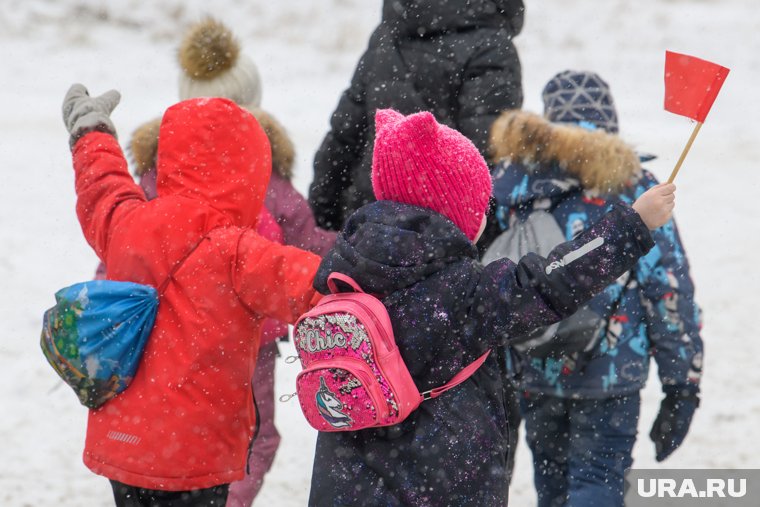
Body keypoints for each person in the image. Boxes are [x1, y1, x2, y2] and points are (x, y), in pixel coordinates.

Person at [307, 107, 676, 506]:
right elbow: (552, 280)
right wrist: (631, 225)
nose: (486, 214)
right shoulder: (464, 293)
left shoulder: (346, 276)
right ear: (454, 212)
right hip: (441, 480)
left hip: (347, 484)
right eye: (479, 205)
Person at [61, 86, 323, 506]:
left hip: (123, 441)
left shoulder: (130, 223)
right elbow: (312, 285)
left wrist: (91, 133)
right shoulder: (237, 251)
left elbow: (103, 190)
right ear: (248, 173)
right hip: (196, 454)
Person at [486, 70, 704, 507]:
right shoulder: (637, 188)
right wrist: (683, 384)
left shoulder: (513, 186)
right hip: (613, 374)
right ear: (610, 123)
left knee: (552, 487)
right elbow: (668, 290)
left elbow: (497, 273)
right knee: (600, 482)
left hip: (536, 366)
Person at [176, 18, 337, 506]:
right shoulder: (266, 177)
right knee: (254, 436)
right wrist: (366, 235)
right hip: (248, 339)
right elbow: (307, 245)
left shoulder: (161, 166)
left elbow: (125, 239)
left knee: (186, 430)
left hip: (174, 333)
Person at [308, 0, 525, 231]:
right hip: (445, 232)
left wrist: (325, 217)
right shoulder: (491, 47)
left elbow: (344, 137)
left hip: (370, 223)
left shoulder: (389, 34)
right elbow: (490, 154)